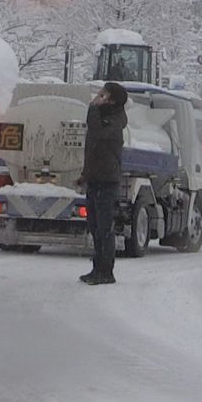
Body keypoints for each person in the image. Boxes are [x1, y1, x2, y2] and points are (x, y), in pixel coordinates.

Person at [78, 82, 128, 285]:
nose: (98, 97)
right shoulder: (102, 117)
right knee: (94, 226)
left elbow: (98, 132)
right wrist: (85, 175)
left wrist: (92, 108)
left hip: (107, 181)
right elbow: (93, 149)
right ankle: (97, 268)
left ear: (112, 100)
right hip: (95, 179)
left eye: (103, 95)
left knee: (104, 228)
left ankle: (106, 271)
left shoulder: (114, 121)